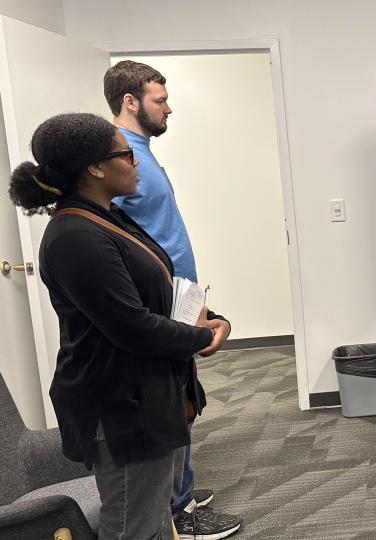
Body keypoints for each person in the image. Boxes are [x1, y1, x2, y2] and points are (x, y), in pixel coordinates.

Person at [7, 112, 231, 539]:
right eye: (126, 155)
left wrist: (212, 317)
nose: (136, 163)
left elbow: (155, 289)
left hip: (144, 395)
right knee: (134, 527)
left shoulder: (106, 217)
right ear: (95, 167)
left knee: (154, 520)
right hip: (120, 407)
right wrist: (204, 337)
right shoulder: (76, 235)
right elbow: (133, 327)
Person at [102, 59, 242, 539]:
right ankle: (177, 513)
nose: (168, 108)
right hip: (157, 306)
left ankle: (179, 496)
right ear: (130, 101)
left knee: (184, 402)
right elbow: (115, 239)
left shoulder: (139, 151)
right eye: (160, 100)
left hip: (177, 299)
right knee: (168, 408)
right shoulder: (116, 158)